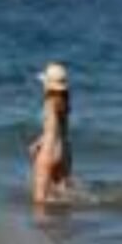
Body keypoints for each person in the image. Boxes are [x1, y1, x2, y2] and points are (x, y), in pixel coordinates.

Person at [29, 62, 72, 204]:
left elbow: (50, 130)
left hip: (48, 151)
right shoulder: (65, 103)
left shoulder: (49, 102)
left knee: (39, 201)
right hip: (64, 152)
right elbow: (61, 129)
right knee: (63, 197)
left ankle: (42, 219)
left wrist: (36, 144)